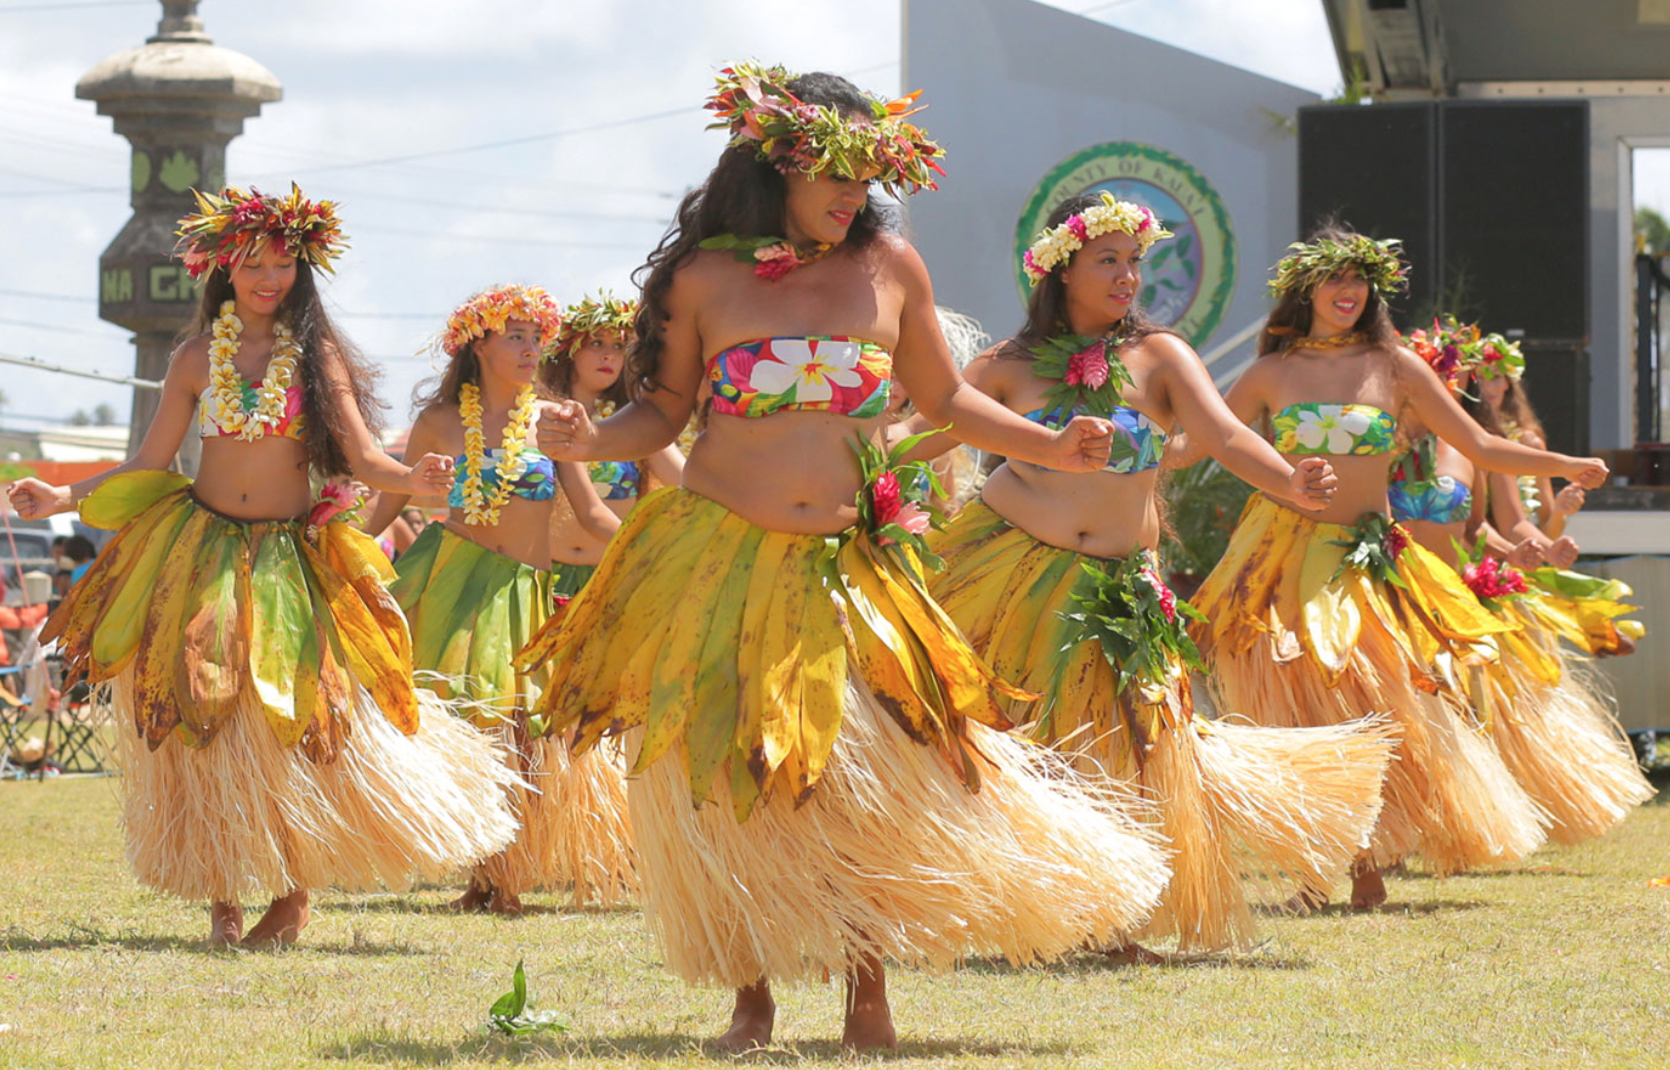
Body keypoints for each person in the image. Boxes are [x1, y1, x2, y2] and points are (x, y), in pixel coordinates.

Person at [518, 63, 1169, 1051]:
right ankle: (751, 990)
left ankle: (867, 986)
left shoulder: (891, 269)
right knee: (727, 777)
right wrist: (583, 438)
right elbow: (659, 411)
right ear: (778, 163)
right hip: (720, 558)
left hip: (849, 564)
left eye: (869, 178)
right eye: (837, 173)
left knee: (867, 774)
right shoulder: (704, 279)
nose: (853, 196)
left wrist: (1047, 441)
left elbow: (947, 400)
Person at [4, 184, 518, 946]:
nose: (268, 278)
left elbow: (363, 455)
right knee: (202, 723)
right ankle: (221, 896)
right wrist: (62, 497)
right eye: (252, 264)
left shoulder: (316, 357)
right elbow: (146, 461)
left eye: (282, 263)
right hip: (198, 550)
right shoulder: (191, 359)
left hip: (285, 557)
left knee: (289, 721)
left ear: (301, 270)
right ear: (224, 270)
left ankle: (292, 888)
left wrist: (411, 482)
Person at [903, 192, 1392, 954]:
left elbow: (1225, 435)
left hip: (1123, 582)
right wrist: (850, 469)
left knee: (1134, 744)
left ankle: (1108, 916)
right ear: (1062, 268)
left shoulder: (1160, 356)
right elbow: (928, 431)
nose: (1128, 276)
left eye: (1136, 261)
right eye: (1108, 260)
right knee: (1025, 740)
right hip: (1010, 570)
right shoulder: (1006, 365)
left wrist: (1287, 478)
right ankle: (1054, 910)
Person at [1188, 226, 1610, 908]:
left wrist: (1561, 465)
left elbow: (1478, 443)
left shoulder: (1397, 368)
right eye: (1335, 278)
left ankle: (1366, 859)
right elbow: (1202, 440)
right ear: (1306, 288)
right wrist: (1133, 435)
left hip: (1368, 556)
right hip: (1282, 556)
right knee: (1300, 708)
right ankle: (1317, 866)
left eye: (1361, 279)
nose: (1348, 290)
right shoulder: (1272, 372)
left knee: (1376, 701)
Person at [364, 284, 636, 914]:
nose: (530, 348)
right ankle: (483, 872)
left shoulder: (552, 419)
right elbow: (388, 505)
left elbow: (593, 512)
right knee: (467, 727)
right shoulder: (436, 421)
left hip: (523, 592)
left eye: (536, 337)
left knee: (524, 733)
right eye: (515, 335)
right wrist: (333, 548)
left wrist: (649, 552)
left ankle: (505, 874)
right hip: (455, 582)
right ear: (478, 343)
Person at [1390, 322, 1652, 843]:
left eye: (1457, 380)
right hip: (1391, 589)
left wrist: (1536, 548)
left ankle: (1452, 823)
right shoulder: (1379, 446)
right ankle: (1396, 828)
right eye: (1443, 376)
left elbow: (1494, 524)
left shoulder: (1477, 448)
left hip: (1452, 595)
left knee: (1449, 706)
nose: (1452, 387)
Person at [538, 291, 683, 598]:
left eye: (619, 346)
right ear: (570, 351)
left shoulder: (635, 423)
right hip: (548, 576)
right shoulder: (545, 417)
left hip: (613, 574)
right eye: (597, 344)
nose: (609, 356)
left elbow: (688, 483)